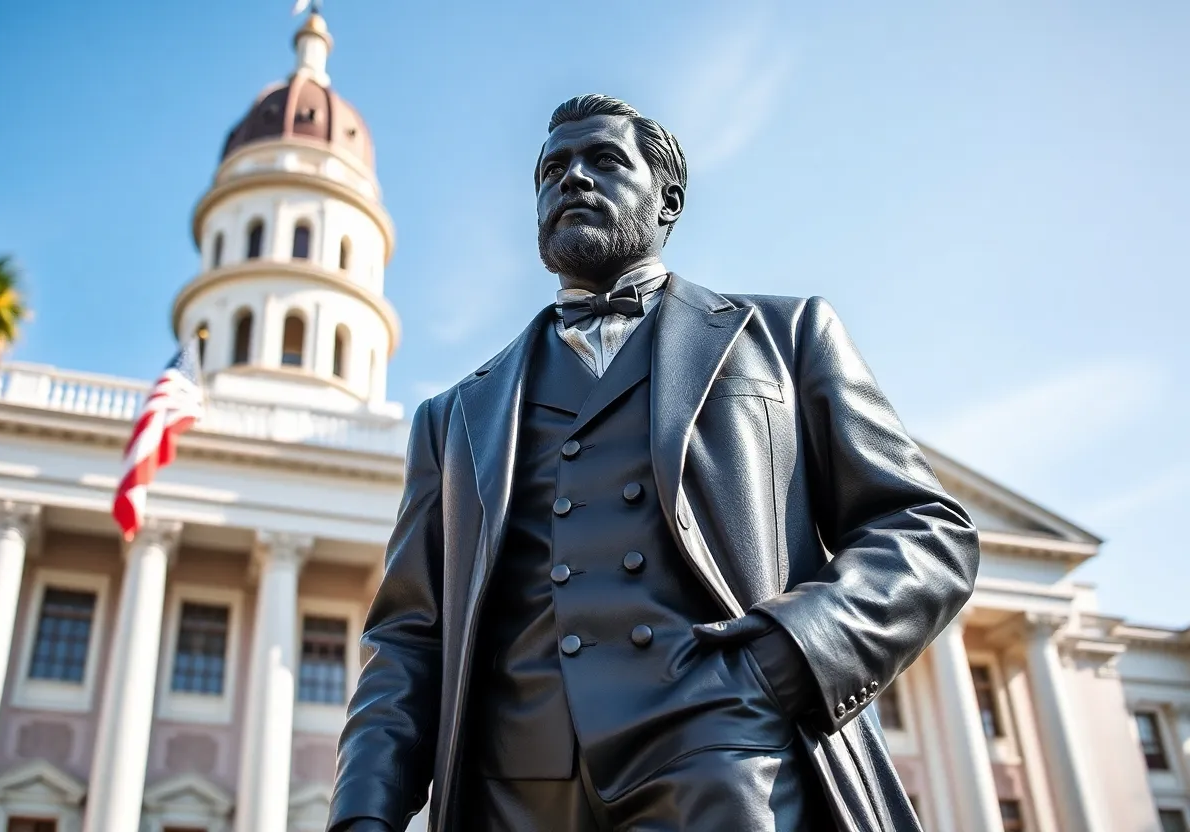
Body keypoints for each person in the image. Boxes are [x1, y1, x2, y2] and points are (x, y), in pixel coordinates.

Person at [327, 94, 979, 832]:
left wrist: (790, 656)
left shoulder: (789, 337)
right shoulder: (452, 418)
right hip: (508, 796)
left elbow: (928, 532)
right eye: (552, 170)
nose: (571, 178)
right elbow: (408, 639)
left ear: (669, 200)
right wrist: (363, 814)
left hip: (730, 771)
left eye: (603, 160)